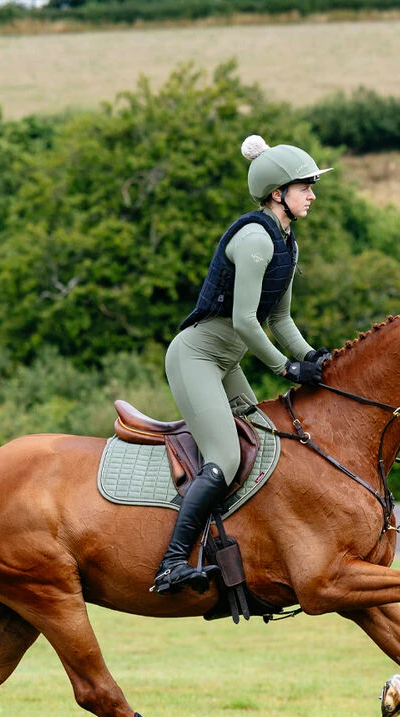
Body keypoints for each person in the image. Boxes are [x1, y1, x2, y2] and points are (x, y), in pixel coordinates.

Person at [153, 134, 333, 596]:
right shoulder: (255, 238)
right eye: (305, 187)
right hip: (196, 357)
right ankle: (171, 562)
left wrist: (311, 356)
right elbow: (244, 321)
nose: (313, 194)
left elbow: (280, 318)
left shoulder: (287, 242)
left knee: (266, 446)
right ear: (278, 193)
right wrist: (286, 369)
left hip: (226, 360)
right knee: (228, 456)